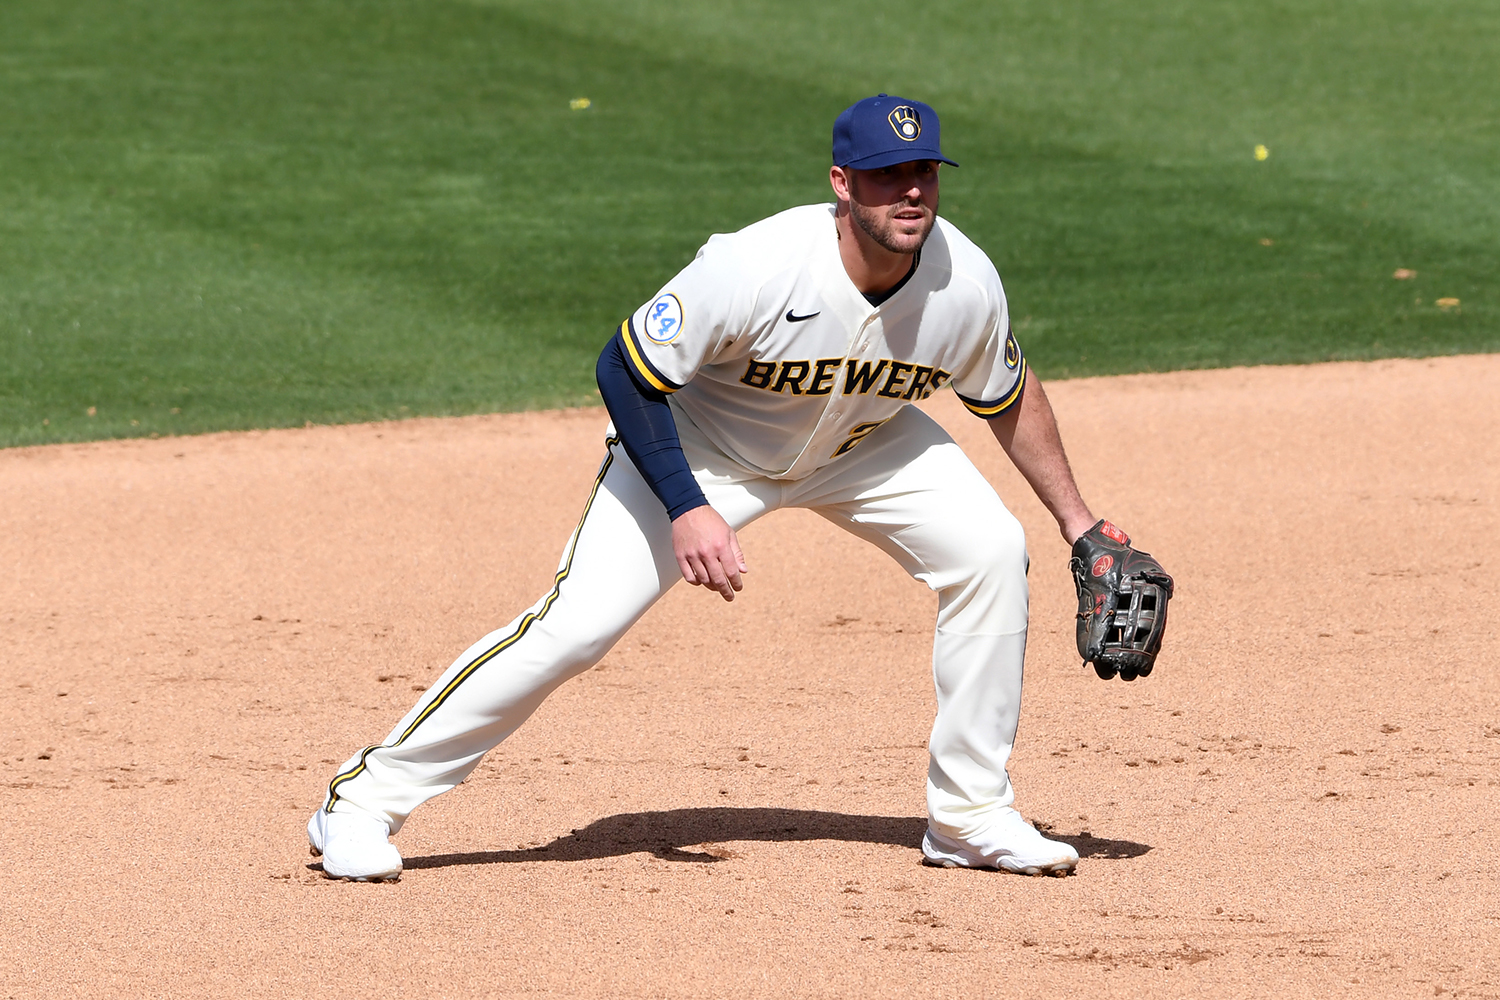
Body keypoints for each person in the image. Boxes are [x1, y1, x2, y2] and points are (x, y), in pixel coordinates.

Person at [308, 94, 1102, 881]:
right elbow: (624, 368)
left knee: (992, 552)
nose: (912, 192)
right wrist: (687, 505)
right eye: (887, 174)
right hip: (702, 448)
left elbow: (1007, 391)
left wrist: (1082, 526)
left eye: (924, 171)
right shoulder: (755, 265)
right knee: (573, 630)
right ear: (842, 183)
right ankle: (362, 803)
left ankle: (969, 816)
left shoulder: (965, 280)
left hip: (862, 444)